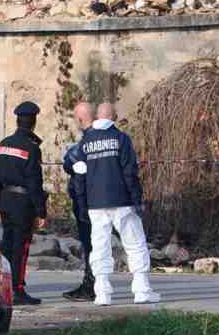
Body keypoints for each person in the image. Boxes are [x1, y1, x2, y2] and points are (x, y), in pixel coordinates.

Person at [80, 101, 158, 305]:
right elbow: (129, 172)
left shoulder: (86, 140)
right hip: (122, 200)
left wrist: (83, 201)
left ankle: (102, 293)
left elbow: (78, 171)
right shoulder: (121, 138)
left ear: (97, 117)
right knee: (135, 244)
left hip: (96, 203)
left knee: (100, 246)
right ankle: (141, 290)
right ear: (113, 117)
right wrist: (137, 199)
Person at [0, 101, 48, 306]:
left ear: (17, 120)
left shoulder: (2, 144)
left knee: (7, 246)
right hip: (23, 203)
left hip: (6, 200)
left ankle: (4, 287)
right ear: (33, 122)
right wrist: (41, 211)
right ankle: (18, 289)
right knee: (21, 248)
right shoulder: (31, 149)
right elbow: (35, 182)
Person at [61, 101, 97, 302]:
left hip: (86, 202)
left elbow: (70, 161)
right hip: (100, 199)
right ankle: (95, 284)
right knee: (95, 244)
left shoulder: (87, 142)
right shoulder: (106, 138)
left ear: (81, 118)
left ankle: (91, 285)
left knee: (90, 244)